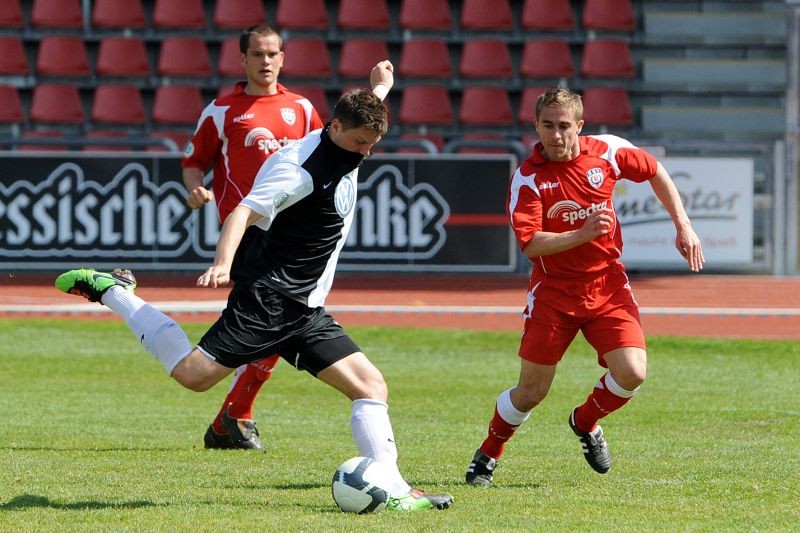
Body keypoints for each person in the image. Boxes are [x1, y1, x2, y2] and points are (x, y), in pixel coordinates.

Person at [56, 62, 454, 511]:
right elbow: (242, 212)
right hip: (268, 298)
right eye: (361, 143)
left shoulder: (349, 133)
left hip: (304, 307)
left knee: (371, 387)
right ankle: (115, 291)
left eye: (372, 144)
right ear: (336, 127)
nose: (366, 152)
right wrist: (222, 264)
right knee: (192, 376)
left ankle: (396, 491)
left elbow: (367, 111)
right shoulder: (300, 170)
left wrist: (381, 87)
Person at [465, 87, 705, 486]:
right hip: (554, 293)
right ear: (536, 126)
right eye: (547, 126)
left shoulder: (607, 152)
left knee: (632, 373)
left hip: (607, 284)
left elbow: (654, 171)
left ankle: (585, 420)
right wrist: (582, 233)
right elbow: (531, 244)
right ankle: (488, 453)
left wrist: (684, 225)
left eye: (564, 126)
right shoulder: (528, 178)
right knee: (531, 392)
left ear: (580, 125)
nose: (556, 135)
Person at [182, 24, 326, 451]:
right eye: (258, 54)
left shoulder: (302, 109)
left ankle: (232, 417)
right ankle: (233, 414)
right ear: (243, 58)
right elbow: (194, 160)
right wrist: (195, 188)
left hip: (294, 235)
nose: (266, 61)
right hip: (247, 232)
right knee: (275, 320)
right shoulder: (221, 110)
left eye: (272, 53)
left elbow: (325, 157)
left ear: (283, 58)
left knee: (279, 321)